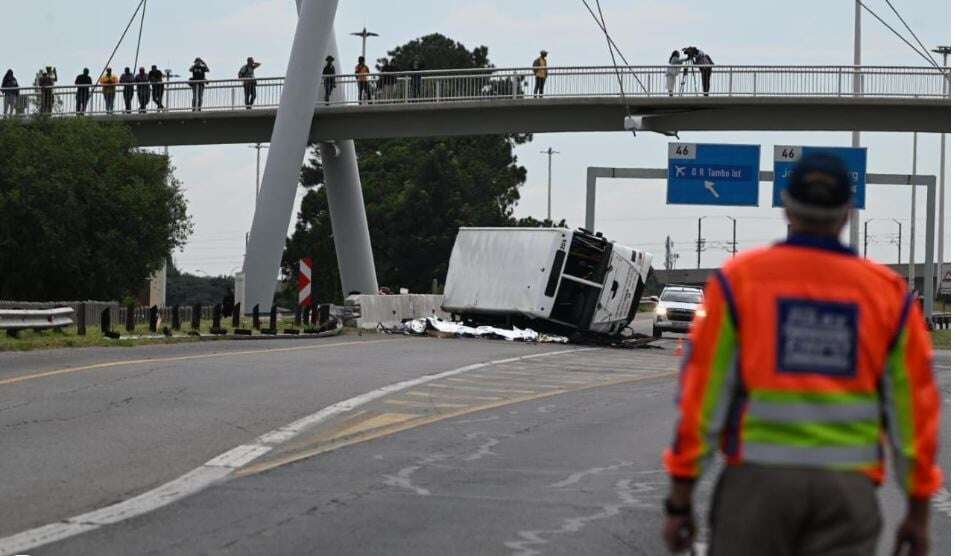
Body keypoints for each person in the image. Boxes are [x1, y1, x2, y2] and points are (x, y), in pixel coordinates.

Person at [661, 153, 941, 556]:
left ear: (786, 208)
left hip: (756, 488)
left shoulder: (738, 282)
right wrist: (917, 512)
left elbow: (702, 398)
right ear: (846, 214)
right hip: (847, 496)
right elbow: (914, 412)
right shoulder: (889, 295)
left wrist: (680, 499)